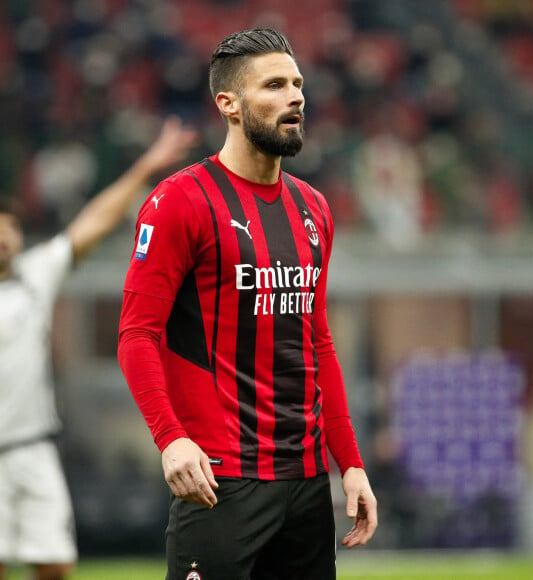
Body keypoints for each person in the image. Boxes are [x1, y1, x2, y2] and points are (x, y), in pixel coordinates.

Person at [118, 28, 378, 580]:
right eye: (275, 85)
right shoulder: (179, 202)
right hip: (220, 481)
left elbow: (318, 342)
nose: (296, 97)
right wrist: (170, 438)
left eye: (299, 84)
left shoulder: (313, 209)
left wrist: (349, 462)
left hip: (307, 485)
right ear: (228, 105)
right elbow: (137, 333)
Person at [0, 117, 197, 580]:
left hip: (33, 446)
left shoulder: (34, 276)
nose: (4, 238)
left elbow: (92, 222)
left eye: (9, 228)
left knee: (56, 564)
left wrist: (147, 165)